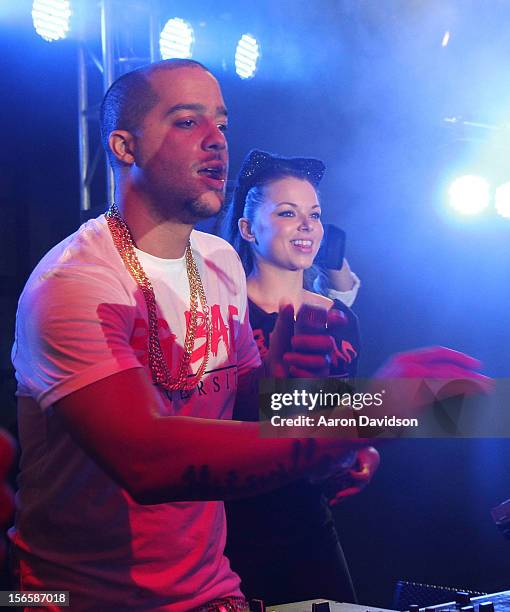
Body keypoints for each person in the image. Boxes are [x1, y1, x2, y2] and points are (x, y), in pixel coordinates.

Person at [10, 60, 490, 611]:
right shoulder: (75, 284)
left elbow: (246, 411)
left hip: (213, 592)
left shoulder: (217, 263)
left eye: (222, 123)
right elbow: (147, 461)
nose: (217, 141)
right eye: (188, 122)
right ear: (124, 146)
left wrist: (307, 408)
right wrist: (366, 415)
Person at [221, 149, 378, 603]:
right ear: (248, 229)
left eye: (314, 214)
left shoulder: (339, 320)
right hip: (229, 519)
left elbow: (337, 416)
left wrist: (359, 445)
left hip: (309, 516)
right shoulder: (221, 313)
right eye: (288, 213)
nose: (307, 225)